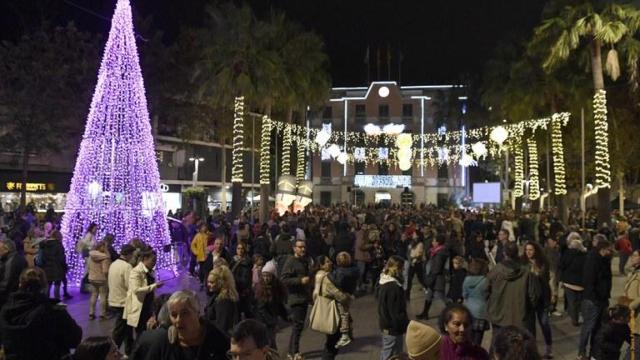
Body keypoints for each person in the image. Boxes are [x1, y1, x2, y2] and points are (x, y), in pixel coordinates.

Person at [0, 267, 82, 359]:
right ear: (44, 286)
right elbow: (74, 340)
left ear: (20, 284)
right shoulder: (54, 311)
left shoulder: (6, 310)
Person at [130, 290, 230, 360]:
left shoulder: (217, 339)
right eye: (174, 315)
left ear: (198, 312)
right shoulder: (164, 342)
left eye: (185, 313)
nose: (178, 320)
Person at [487, 242, 537, 334]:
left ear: (504, 253)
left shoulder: (495, 271)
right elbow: (533, 295)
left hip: (498, 315)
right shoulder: (527, 272)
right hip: (519, 316)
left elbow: (486, 291)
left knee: (499, 344)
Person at [578, 239, 613, 359]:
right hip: (592, 301)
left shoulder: (604, 260)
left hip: (601, 300)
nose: (611, 252)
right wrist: (595, 299)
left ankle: (594, 351)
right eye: (609, 250)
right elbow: (589, 281)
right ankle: (581, 352)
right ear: (603, 249)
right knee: (588, 327)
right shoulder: (593, 260)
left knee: (598, 328)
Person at [312, 255, 350, 357]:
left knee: (331, 340)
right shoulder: (326, 278)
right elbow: (338, 295)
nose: (331, 263)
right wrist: (347, 296)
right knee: (332, 342)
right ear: (321, 265)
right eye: (327, 262)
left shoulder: (318, 275)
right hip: (331, 311)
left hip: (324, 309)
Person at [280, 239, 312, 360]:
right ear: (294, 248)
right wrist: (300, 281)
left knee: (298, 325)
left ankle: (291, 351)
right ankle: (294, 352)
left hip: (303, 297)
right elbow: (284, 279)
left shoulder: (303, 260)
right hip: (295, 298)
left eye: (304, 247)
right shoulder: (291, 261)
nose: (302, 249)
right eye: (300, 247)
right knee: (297, 325)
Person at [522, 241, 553, 358]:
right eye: (526, 250)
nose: (528, 252)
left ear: (536, 250)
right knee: (530, 327)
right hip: (528, 298)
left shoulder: (543, 262)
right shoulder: (523, 262)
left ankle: (549, 348)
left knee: (544, 323)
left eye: (531, 250)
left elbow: (544, 279)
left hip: (542, 298)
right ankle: (531, 350)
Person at [124, 249, 164, 337]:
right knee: (140, 333)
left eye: (155, 261)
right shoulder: (136, 271)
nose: (154, 263)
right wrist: (154, 286)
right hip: (140, 307)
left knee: (148, 331)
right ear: (145, 258)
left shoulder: (150, 271)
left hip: (148, 305)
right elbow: (136, 290)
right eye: (153, 260)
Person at [378, 255, 409, 360]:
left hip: (387, 325)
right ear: (397, 269)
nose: (404, 270)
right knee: (392, 353)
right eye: (402, 268)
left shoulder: (383, 281)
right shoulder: (393, 287)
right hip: (393, 328)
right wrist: (405, 324)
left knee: (390, 352)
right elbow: (396, 312)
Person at [254, 260, 288, 350]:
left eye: (268, 275)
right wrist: (272, 322)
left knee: (270, 344)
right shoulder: (260, 289)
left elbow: (279, 304)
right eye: (264, 275)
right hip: (263, 322)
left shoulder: (276, 287)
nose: (266, 278)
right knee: (269, 344)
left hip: (272, 320)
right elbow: (261, 309)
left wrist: (286, 316)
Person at [108, 244, 135, 354]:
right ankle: (112, 352)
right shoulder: (127, 267)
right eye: (132, 255)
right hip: (123, 301)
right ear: (128, 254)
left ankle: (130, 350)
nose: (133, 257)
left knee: (127, 328)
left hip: (113, 299)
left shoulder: (113, 264)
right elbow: (130, 285)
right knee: (119, 331)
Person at [328, 251, 359, 348]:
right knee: (346, 312)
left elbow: (338, 282)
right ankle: (350, 332)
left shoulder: (341, 272)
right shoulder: (354, 270)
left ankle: (345, 334)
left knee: (343, 314)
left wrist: (330, 275)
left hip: (343, 295)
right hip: (350, 293)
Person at [417, 234, 448, 320]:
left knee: (441, 297)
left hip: (436, 278)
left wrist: (430, 278)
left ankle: (454, 309)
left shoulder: (440, 253)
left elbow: (436, 268)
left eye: (434, 241)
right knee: (429, 296)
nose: (432, 242)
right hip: (433, 278)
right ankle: (424, 313)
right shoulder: (435, 251)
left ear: (438, 243)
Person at [559, 236, 587, 327]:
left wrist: (561, 279)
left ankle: (574, 320)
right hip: (581, 283)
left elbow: (561, 266)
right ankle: (584, 317)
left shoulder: (566, 254)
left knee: (572, 302)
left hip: (568, 282)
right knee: (581, 301)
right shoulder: (585, 256)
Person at [205, 265, 240, 334]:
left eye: (212, 282)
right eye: (208, 281)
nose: (208, 284)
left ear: (221, 282)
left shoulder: (224, 300)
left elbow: (222, 326)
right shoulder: (217, 295)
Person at [462, 259, 489, 347]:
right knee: (478, 337)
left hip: (469, 310)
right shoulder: (485, 281)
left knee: (469, 336)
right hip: (481, 311)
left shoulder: (467, 280)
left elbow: (464, 295)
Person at [0, 239, 27, 309]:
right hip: (18, 294)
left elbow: (6, 283)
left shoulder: (10, 262)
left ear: (6, 249)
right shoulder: (21, 258)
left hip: (8, 296)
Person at [40, 230, 67, 301]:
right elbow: (62, 258)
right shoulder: (59, 245)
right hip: (57, 268)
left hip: (47, 268)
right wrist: (65, 267)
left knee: (48, 285)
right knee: (57, 285)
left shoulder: (45, 244)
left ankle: (45, 302)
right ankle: (56, 302)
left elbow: (43, 257)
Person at [88, 241, 112, 320]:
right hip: (101, 279)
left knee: (94, 295)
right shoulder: (105, 257)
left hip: (92, 278)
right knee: (103, 296)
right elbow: (105, 270)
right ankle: (102, 314)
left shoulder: (91, 255)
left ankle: (91, 313)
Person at [231, 241, 254, 319]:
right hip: (235, 289)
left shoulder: (247, 262)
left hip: (244, 290)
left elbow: (247, 278)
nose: (240, 250)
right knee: (236, 311)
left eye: (242, 249)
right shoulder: (233, 260)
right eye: (238, 248)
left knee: (246, 310)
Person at [624, 250, 640, 359]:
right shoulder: (634, 272)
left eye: (635, 256)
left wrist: (629, 306)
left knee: (634, 352)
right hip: (633, 317)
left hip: (638, 318)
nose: (632, 257)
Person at [77, 222, 98, 293]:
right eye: (95, 228)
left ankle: (86, 287)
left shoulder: (91, 235)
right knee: (87, 271)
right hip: (88, 255)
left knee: (88, 271)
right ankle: (84, 287)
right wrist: (91, 246)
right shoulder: (89, 235)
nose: (96, 230)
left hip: (89, 255)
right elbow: (84, 243)